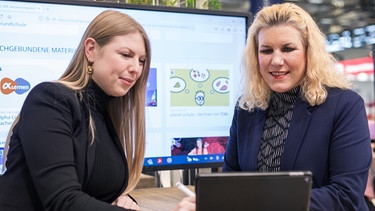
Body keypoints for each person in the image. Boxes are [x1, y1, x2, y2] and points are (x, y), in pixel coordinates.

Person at [221, 2, 372, 211]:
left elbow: (345, 195)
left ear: (308, 52)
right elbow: (230, 182)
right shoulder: (247, 109)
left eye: (288, 49)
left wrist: (260, 201)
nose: (276, 60)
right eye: (266, 50)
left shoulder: (344, 106)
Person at [0, 10, 151, 210]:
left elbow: (96, 188)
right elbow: (63, 201)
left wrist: (124, 199)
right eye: (126, 55)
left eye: (141, 61)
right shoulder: (51, 99)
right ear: (91, 50)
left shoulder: (106, 113)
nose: (136, 69)